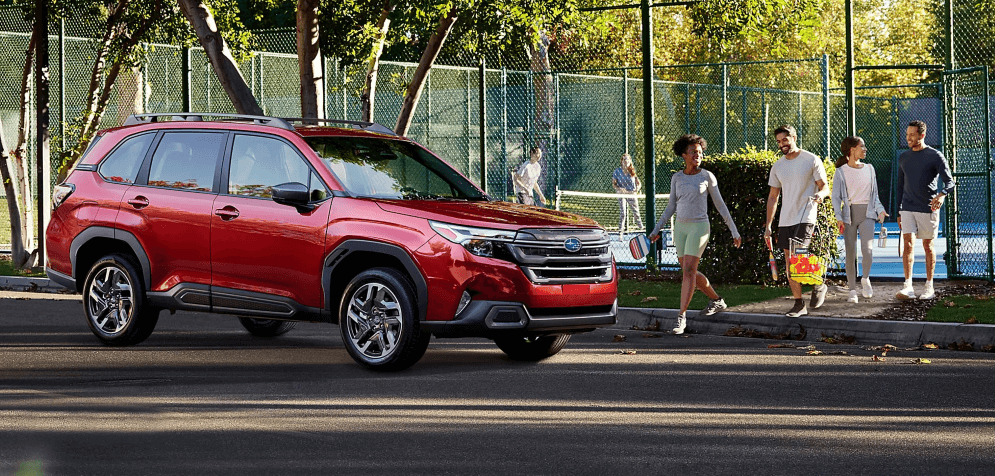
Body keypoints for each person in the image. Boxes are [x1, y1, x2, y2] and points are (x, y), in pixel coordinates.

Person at [649, 134, 742, 335]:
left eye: (700, 152)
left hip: (700, 227)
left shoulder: (707, 176)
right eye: (693, 152)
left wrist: (734, 230)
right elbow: (671, 207)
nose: (697, 155)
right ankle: (717, 300)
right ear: (684, 155)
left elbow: (721, 206)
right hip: (680, 228)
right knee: (687, 271)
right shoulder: (677, 178)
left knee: (690, 270)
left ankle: (681, 317)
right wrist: (657, 230)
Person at [764, 125, 830, 317]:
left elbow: (824, 187)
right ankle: (799, 303)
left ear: (794, 137)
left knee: (797, 256)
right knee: (789, 259)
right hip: (786, 220)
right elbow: (773, 197)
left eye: (785, 140)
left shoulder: (811, 159)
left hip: (806, 216)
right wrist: (768, 225)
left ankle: (817, 283)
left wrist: (820, 195)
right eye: (778, 141)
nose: (782, 144)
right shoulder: (778, 166)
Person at [895, 120, 954, 300]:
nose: (908, 138)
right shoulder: (903, 157)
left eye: (912, 134)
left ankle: (929, 286)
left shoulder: (935, 156)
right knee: (908, 244)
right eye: (907, 135)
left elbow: (950, 182)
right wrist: (899, 211)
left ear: (922, 135)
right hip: (907, 209)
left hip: (928, 208)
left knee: (928, 246)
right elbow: (899, 186)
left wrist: (942, 195)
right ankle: (908, 286)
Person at [830, 136, 888, 303]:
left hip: (868, 214)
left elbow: (874, 196)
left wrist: (881, 210)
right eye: (862, 146)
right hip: (848, 216)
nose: (865, 149)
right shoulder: (840, 172)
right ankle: (852, 290)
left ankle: (865, 279)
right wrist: (839, 218)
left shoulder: (870, 169)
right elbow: (836, 198)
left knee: (867, 251)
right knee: (850, 253)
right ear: (852, 150)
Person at [612, 153, 644, 236]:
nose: (626, 161)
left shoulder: (632, 171)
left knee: (636, 213)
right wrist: (619, 189)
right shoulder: (617, 171)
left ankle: (642, 229)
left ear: (630, 161)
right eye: (625, 159)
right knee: (623, 213)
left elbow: (639, 183)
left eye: (628, 159)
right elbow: (614, 185)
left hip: (631, 194)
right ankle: (620, 232)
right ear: (622, 161)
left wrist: (637, 189)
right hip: (622, 194)